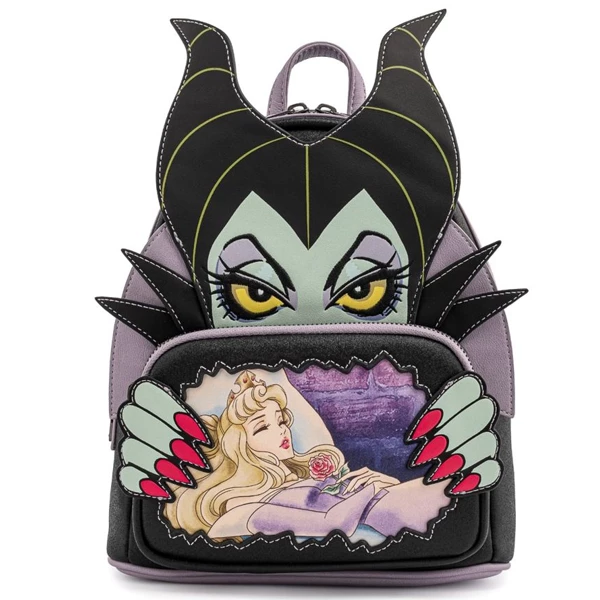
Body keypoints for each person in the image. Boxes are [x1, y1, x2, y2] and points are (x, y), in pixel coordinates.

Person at [163, 370, 450, 542]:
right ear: (239, 445)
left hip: (401, 504)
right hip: (396, 511)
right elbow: (332, 524)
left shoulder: (293, 479)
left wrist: (382, 483)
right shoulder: (237, 512)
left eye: (281, 420)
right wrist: (371, 489)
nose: (282, 430)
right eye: (263, 427)